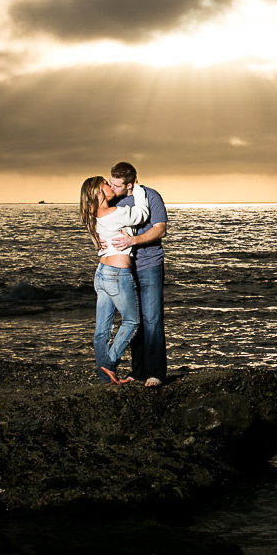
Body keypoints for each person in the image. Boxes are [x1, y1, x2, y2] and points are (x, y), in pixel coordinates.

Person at [79, 175, 150, 385]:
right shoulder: (115, 213)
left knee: (102, 330)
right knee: (132, 321)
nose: (110, 186)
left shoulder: (95, 216)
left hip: (102, 273)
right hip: (117, 275)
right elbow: (142, 214)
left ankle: (105, 379)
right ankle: (108, 365)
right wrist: (137, 189)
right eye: (105, 183)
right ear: (97, 192)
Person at [107, 162, 168, 387]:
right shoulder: (112, 200)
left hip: (149, 264)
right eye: (111, 183)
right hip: (124, 269)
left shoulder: (151, 196)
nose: (112, 188)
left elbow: (160, 229)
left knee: (152, 319)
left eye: (117, 185)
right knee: (134, 321)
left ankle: (156, 373)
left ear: (130, 184)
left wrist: (133, 240)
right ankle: (138, 370)